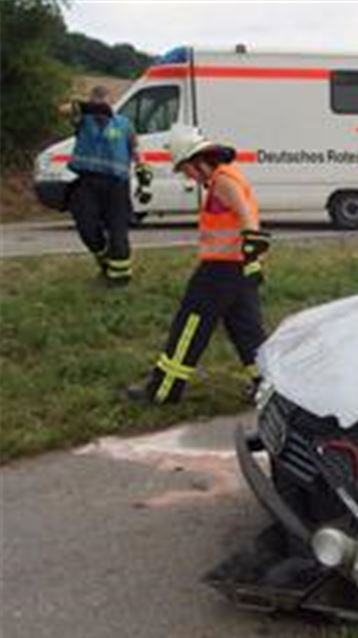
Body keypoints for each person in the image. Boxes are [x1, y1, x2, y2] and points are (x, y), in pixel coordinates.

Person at [127, 126, 269, 405]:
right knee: (247, 331)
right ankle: (267, 386)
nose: (186, 176)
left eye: (185, 169)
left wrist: (252, 254)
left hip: (220, 271)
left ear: (198, 161)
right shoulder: (228, 176)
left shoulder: (223, 182)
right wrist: (252, 263)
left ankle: (164, 390)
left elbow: (248, 220)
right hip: (236, 269)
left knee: (189, 326)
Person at [65, 85, 141, 286]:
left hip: (117, 185)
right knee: (87, 228)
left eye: (103, 99)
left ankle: (120, 279)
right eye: (95, 100)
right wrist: (83, 106)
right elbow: (66, 110)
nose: (100, 103)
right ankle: (105, 260)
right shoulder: (82, 120)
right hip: (87, 182)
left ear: (111, 101)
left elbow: (134, 147)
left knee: (118, 232)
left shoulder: (124, 123)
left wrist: (142, 167)